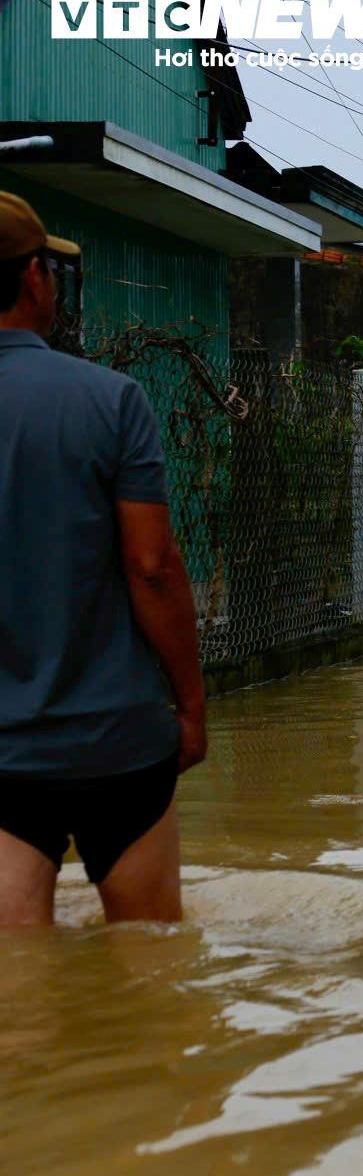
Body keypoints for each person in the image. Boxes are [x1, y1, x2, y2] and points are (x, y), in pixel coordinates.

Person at [0, 192, 206, 926]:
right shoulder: (111, 399)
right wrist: (190, 706)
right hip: (118, 741)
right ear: (34, 277)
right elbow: (152, 566)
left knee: (16, 991)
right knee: (151, 967)